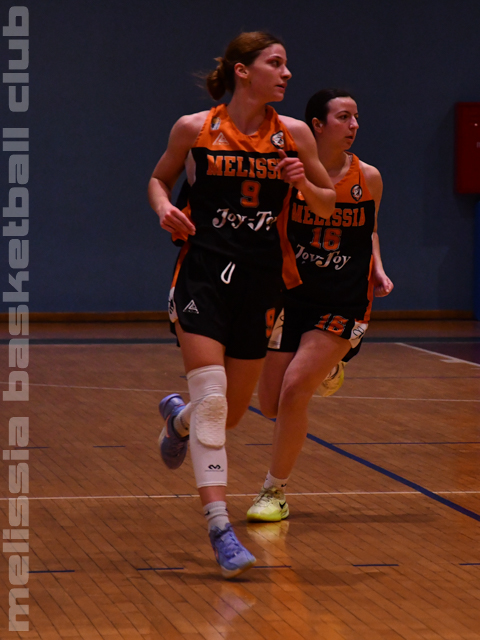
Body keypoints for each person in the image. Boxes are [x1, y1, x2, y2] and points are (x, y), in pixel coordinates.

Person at [148, 34, 336, 578]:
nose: (287, 73)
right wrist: (163, 208)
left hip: (261, 283)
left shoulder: (294, 134)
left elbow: (327, 202)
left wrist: (305, 185)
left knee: (226, 415)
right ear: (242, 70)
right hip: (203, 275)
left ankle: (178, 420)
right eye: (275, 63)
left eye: (286, 64)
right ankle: (220, 529)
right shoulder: (194, 128)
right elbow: (159, 179)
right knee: (213, 401)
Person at [247, 88, 394, 522]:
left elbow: (369, 230)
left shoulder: (368, 177)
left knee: (295, 390)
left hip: (343, 298)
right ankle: (328, 370)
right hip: (290, 294)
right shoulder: (290, 171)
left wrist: (378, 266)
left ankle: (274, 491)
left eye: (356, 117)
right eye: (344, 117)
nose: (354, 125)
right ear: (317, 125)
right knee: (271, 404)